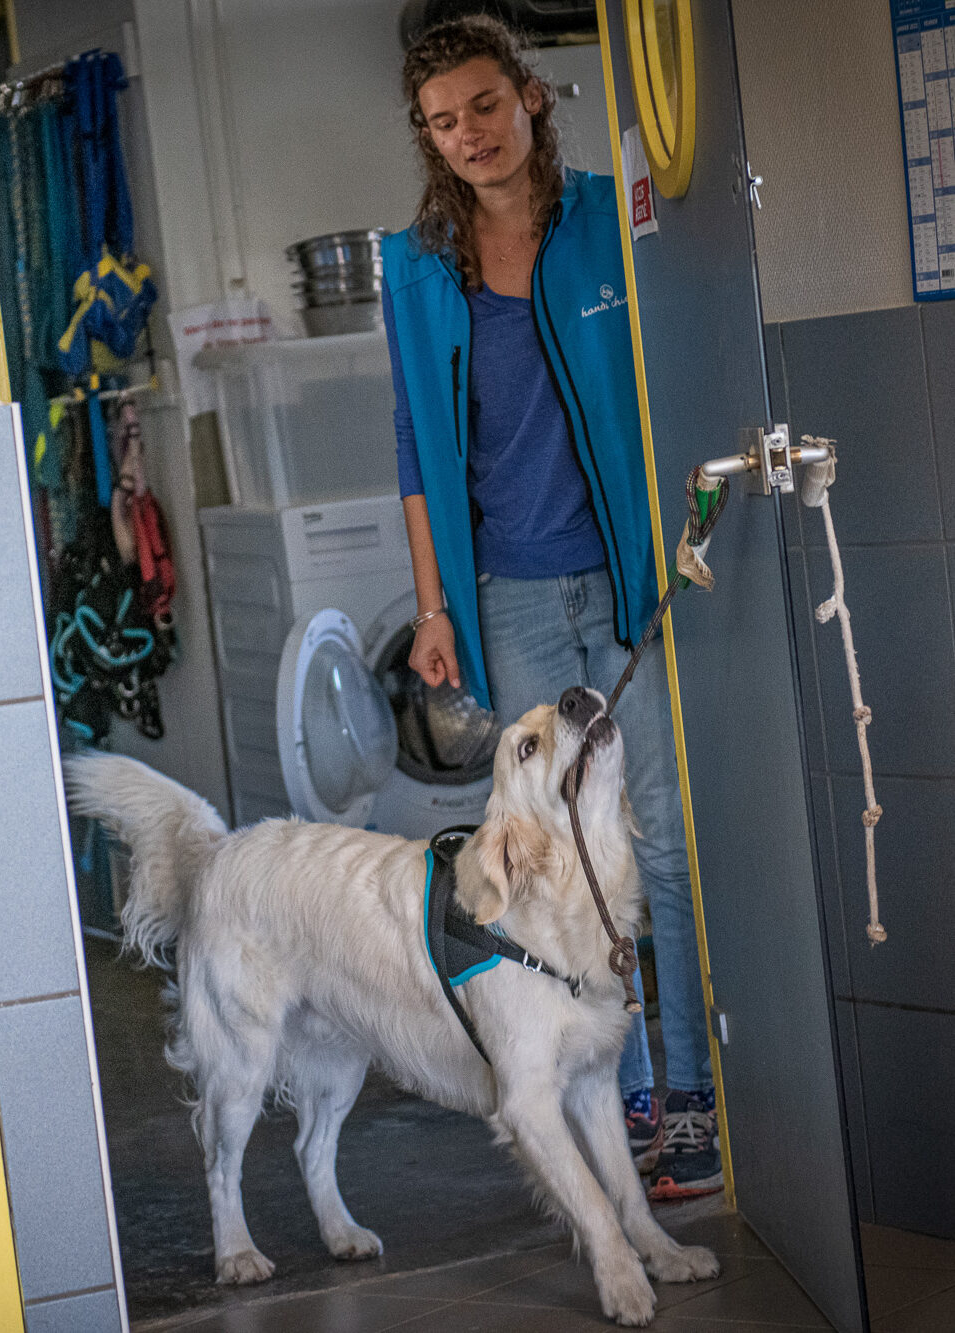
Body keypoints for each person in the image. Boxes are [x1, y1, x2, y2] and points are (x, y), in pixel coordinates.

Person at [380, 14, 721, 1200]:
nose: (467, 133)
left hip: (628, 575)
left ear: (529, 95)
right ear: (426, 138)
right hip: (512, 596)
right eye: (441, 120)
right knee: (564, 852)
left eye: (483, 104)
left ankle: (692, 1099)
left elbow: (669, 362)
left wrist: (682, 532)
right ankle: (616, 1087)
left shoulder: (606, 218)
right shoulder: (417, 267)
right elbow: (419, 449)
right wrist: (432, 608)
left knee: (664, 841)